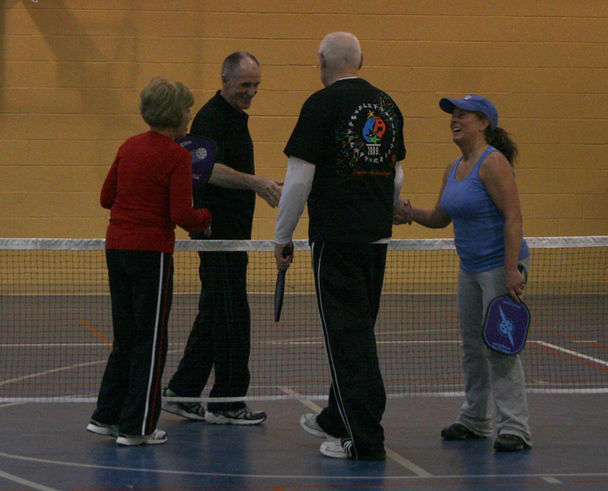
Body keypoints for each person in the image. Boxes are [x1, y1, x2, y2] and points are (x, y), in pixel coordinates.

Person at [274, 32, 406, 460]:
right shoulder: (387, 105)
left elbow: (298, 180)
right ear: (361, 61)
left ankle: (362, 439)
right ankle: (336, 416)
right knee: (358, 331)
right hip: (376, 237)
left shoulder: (320, 104)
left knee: (346, 337)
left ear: (321, 61)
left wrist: (282, 236)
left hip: (336, 237)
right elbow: (397, 176)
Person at [394, 94, 532, 452]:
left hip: (500, 267)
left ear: (483, 122)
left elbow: (514, 217)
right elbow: (441, 217)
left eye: (463, 116)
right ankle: (474, 419)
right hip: (470, 267)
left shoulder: (493, 163)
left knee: (500, 348)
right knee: (472, 346)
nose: (454, 120)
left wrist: (512, 270)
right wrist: (410, 214)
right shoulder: (454, 167)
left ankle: (515, 427)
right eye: (452, 116)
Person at [87, 77, 212, 446]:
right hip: (151, 254)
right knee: (151, 341)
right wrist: (206, 217)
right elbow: (182, 214)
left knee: (126, 337)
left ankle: (106, 416)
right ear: (175, 114)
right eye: (188, 108)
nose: (191, 114)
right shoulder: (177, 155)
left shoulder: (128, 146)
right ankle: (137, 427)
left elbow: (106, 197)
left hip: (117, 249)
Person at [162, 52, 281, 425]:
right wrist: (256, 183)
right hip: (218, 234)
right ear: (225, 80)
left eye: (256, 86)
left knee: (216, 309)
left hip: (234, 235)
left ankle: (182, 391)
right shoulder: (211, 118)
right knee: (232, 315)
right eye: (245, 85)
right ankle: (228, 401)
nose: (251, 92)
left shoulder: (233, 118)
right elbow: (205, 169)